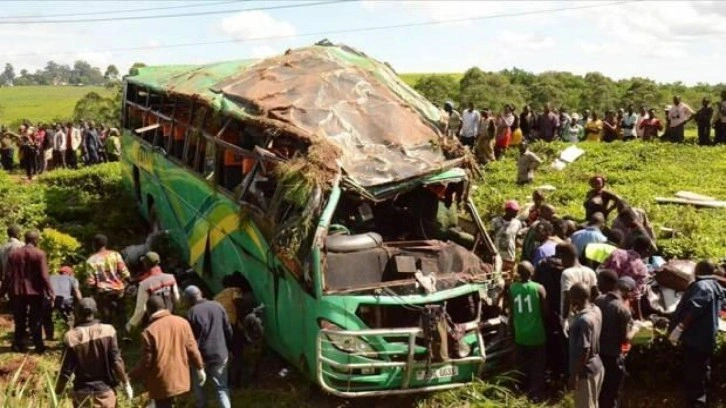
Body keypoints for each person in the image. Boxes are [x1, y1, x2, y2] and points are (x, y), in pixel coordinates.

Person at [668, 261, 726, 407]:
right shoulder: (714, 286)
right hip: (704, 338)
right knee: (700, 372)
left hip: (695, 339)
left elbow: (695, 308)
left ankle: (697, 404)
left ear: (699, 270)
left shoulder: (702, 286)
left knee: (695, 375)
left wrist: (680, 327)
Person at [55, 298, 133, 408]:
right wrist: (126, 384)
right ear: (95, 311)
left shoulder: (71, 337)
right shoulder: (108, 331)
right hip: (106, 393)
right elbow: (116, 362)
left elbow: (65, 372)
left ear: (77, 313)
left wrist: (57, 393)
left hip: (82, 396)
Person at [131, 295, 206, 408]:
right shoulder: (182, 322)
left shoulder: (148, 332)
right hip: (182, 380)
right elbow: (192, 349)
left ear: (149, 311)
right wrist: (200, 367)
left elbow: (146, 363)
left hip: (162, 385)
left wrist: (130, 376)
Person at [0, 230, 53, 353]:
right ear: (35, 240)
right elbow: (44, 276)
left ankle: (18, 344)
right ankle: (38, 345)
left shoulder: (14, 254)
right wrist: (50, 292)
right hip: (35, 292)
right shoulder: (40, 254)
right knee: (36, 319)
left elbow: (8, 275)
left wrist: (2, 293)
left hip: (17, 291)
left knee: (19, 319)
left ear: (25, 239)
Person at [595, 271, 639, 408]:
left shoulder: (598, 301)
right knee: (612, 394)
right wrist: (636, 329)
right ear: (628, 291)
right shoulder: (622, 309)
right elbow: (625, 339)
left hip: (597, 355)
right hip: (613, 357)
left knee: (600, 393)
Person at [184, 285, 233, 408]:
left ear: (189, 299)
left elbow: (189, 340)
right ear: (200, 293)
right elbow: (228, 330)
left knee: (200, 388)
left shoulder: (192, 313)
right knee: (222, 388)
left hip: (201, 357)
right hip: (220, 354)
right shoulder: (217, 306)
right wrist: (228, 347)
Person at [509, 261, 548, 402]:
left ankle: (520, 391)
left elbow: (511, 312)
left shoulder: (512, 288)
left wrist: (511, 331)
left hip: (520, 334)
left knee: (522, 364)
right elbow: (545, 312)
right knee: (537, 365)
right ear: (532, 272)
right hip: (537, 334)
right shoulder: (539, 288)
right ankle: (536, 394)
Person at [568, 282, 604, 408]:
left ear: (575, 299)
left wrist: (575, 376)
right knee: (593, 403)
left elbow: (584, 349)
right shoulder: (596, 310)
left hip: (585, 371)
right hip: (597, 365)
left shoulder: (583, 321)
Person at [126, 251, 180, 332]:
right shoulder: (171, 277)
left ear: (145, 264)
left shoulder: (144, 284)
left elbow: (141, 310)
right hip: (171, 317)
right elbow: (177, 298)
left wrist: (131, 324)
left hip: (155, 324)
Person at [600, 236, 651, 320]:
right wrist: (639, 317)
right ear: (646, 251)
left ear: (634, 244)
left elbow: (602, 270)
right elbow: (636, 295)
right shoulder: (642, 269)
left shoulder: (616, 253)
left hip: (602, 295)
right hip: (619, 304)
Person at [86, 234, 130, 328]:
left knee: (106, 318)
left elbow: (91, 282)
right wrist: (127, 283)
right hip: (119, 290)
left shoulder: (91, 261)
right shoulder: (115, 255)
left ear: (94, 245)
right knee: (121, 314)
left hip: (103, 293)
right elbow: (125, 272)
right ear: (106, 244)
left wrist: (93, 292)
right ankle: (124, 335)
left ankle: (108, 337)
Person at [558, 243, 597, 320]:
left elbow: (567, 297)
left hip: (572, 317)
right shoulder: (590, 271)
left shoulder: (567, 273)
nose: (561, 262)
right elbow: (595, 294)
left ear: (566, 257)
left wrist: (564, 318)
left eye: (561, 258)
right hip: (588, 314)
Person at [44, 265, 82, 340]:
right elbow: (77, 291)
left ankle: (49, 336)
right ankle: (71, 335)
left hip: (50, 299)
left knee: (47, 318)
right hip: (65, 300)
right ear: (70, 273)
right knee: (69, 318)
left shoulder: (50, 277)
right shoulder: (72, 278)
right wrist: (81, 303)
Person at [491, 200, 524, 273]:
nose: (516, 213)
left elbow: (517, 239)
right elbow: (491, 236)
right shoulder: (496, 221)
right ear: (507, 210)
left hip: (509, 256)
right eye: (514, 211)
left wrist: (522, 248)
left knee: (507, 276)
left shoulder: (517, 223)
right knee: (495, 274)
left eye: (516, 211)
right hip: (496, 254)